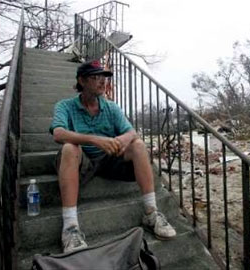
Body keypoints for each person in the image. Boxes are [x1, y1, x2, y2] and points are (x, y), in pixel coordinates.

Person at [49, 60, 176, 253]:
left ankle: (151, 212)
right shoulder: (65, 106)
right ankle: (70, 227)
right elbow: (58, 133)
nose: (102, 82)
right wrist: (95, 140)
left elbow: (131, 132)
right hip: (82, 162)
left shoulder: (111, 107)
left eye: (104, 78)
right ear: (81, 81)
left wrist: (122, 140)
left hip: (110, 160)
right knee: (69, 148)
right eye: (95, 77)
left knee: (138, 145)